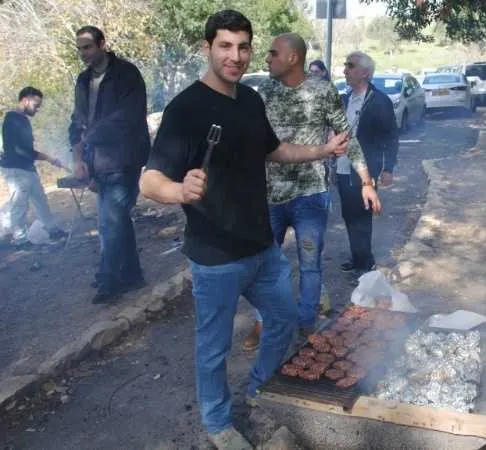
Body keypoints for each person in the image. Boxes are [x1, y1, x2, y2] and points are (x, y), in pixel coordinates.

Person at [139, 10, 350, 450]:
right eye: (225, 46)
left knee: (284, 319)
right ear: (208, 48)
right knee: (213, 349)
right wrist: (178, 189)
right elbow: (148, 180)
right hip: (215, 256)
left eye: (243, 47)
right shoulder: (186, 109)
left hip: (262, 248)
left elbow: (275, 150)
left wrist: (323, 150)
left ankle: (258, 389)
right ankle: (217, 424)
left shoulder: (252, 100)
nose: (235, 56)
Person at [240, 34, 380, 351]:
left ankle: (306, 324)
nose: (267, 59)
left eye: (273, 54)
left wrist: (366, 181)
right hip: (271, 196)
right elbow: (252, 141)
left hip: (311, 197)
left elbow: (347, 138)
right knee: (262, 266)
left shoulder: (322, 90)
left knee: (310, 266)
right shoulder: (266, 92)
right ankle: (265, 321)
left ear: (292, 58)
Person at [68, 25, 150, 304]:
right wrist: (78, 158)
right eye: (79, 49)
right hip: (98, 162)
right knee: (118, 219)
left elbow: (128, 118)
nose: (83, 54)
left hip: (124, 159)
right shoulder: (82, 81)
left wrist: (91, 134)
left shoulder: (126, 74)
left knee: (110, 221)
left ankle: (109, 280)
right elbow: (76, 121)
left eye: (87, 47)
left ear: (102, 44)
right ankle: (132, 275)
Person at [338, 51, 399, 285]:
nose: (345, 70)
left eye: (350, 66)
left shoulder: (379, 101)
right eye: (345, 65)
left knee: (362, 218)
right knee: (349, 215)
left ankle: (366, 264)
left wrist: (388, 169)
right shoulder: (346, 98)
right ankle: (358, 258)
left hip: (366, 171)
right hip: (343, 168)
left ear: (364, 72)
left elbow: (391, 137)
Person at [0, 87, 68, 244]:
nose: (37, 109)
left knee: (40, 200)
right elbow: (21, 150)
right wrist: (49, 158)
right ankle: (20, 239)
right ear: (25, 100)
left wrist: (47, 159)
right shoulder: (12, 120)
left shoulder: (22, 120)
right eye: (36, 105)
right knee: (19, 204)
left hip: (27, 168)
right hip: (17, 170)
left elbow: (26, 150)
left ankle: (52, 230)